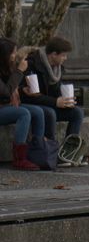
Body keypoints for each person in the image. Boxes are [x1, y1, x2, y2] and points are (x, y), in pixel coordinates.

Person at [20, 35, 84, 142]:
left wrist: (65, 100)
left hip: (49, 104)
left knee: (77, 112)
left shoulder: (57, 69)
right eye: (63, 55)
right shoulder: (31, 64)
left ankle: (69, 151)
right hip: (33, 104)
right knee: (50, 113)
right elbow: (31, 95)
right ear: (54, 54)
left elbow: (55, 93)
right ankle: (50, 150)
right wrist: (55, 102)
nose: (65, 58)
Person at [0, 38, 46, 171]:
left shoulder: (7, 67)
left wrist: (21, 90)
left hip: (6, 106)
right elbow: (6, 92)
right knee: (23, 113)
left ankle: (38, 153)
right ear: (4, 54)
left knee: (38, 111)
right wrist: (19, 71)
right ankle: (20, 158)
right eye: (13, 53)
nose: (15, 55)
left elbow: (9, 89)